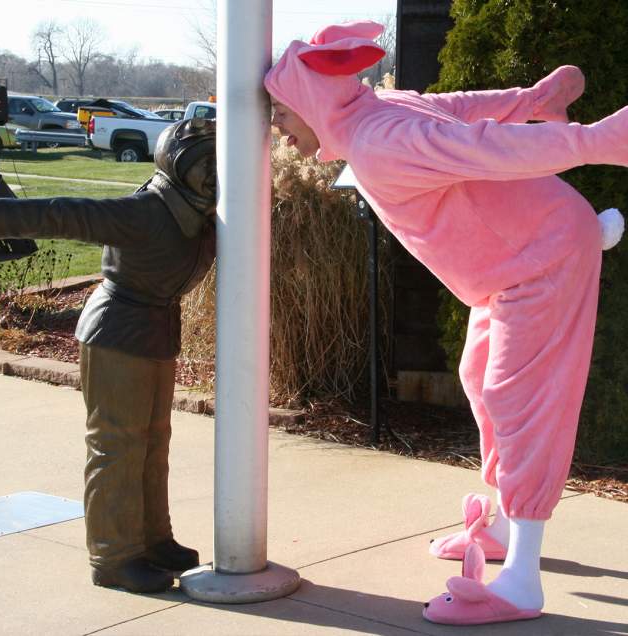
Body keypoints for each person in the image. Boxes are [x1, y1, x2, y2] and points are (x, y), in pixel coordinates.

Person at [265, 21, 625, 626]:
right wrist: (533, 102)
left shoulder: (379, 142)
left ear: (311, 101)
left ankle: (521, 583)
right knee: (481, 379)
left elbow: (485, 145)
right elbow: (459, 108)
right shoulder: (375, 113)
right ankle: (506, 531)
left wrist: (594, 140)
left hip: (543, 260)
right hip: (513, 265)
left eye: (280, 109)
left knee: (520, 402)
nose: (276, 125)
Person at [0, 118, 217, 594]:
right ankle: (113, 556)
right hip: (117, 330)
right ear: (177, 164)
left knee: (154, 443)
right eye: (207, 163)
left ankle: (153, 539)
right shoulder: (143, 211)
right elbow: (58, 213)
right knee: (115, 446)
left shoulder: (203, 213)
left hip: (156, 329)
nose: (217, 173)